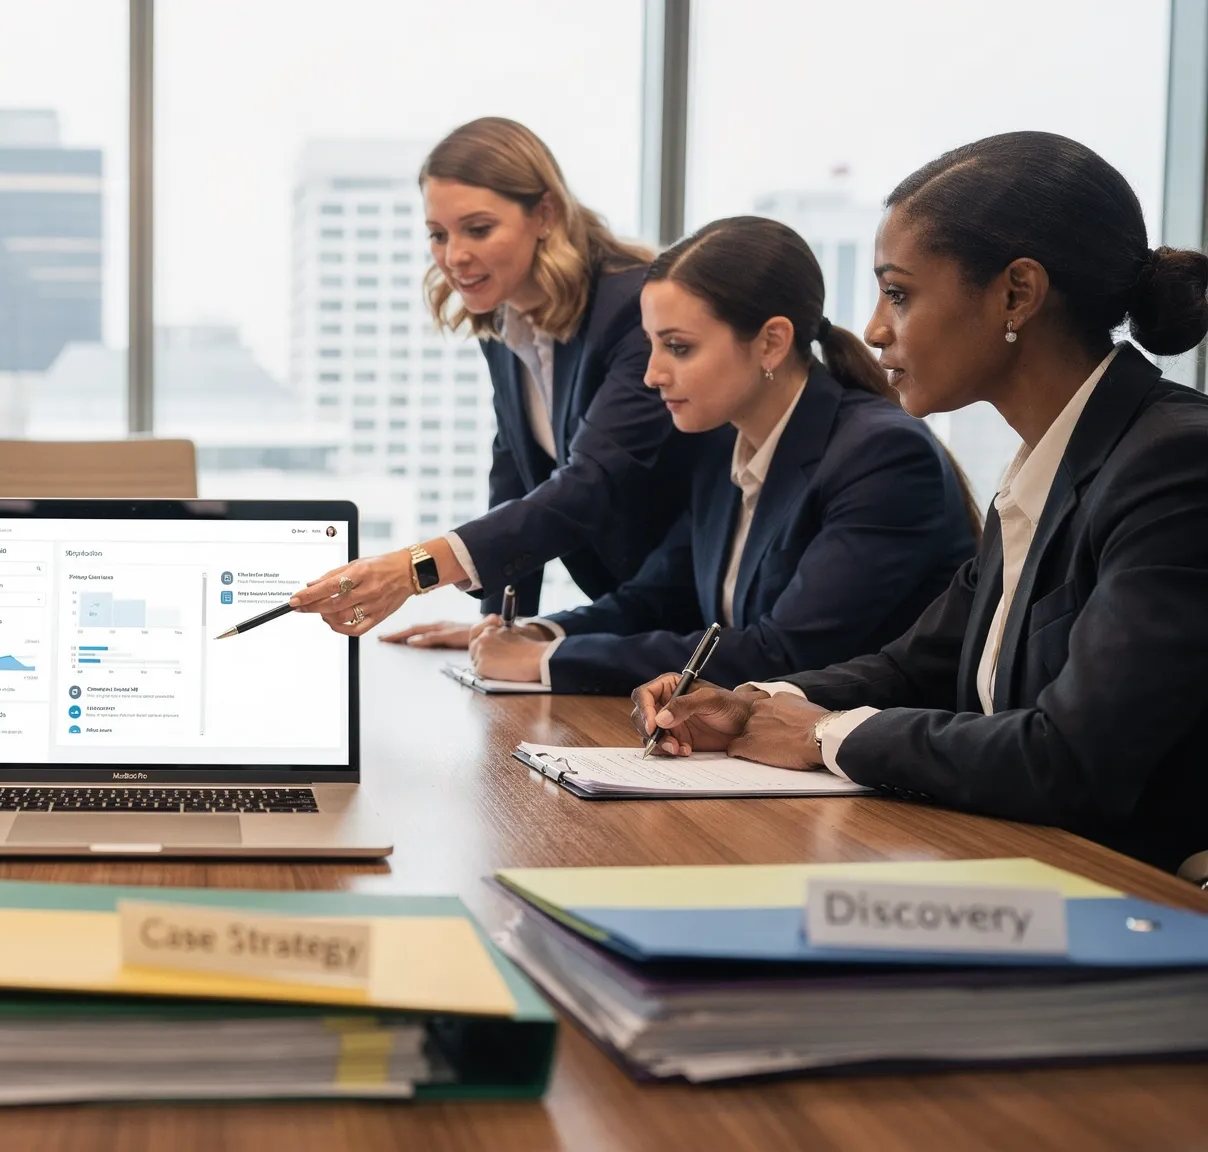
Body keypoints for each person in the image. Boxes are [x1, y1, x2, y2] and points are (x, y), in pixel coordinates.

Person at [632, 132, 1208, 874]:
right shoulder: (1047, 461)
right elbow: (916, 668)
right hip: (1028, 874)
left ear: (1017, 294)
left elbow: (1070, 758)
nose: (873, 329)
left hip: (1145, 905)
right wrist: (752, 702)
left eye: (898, 293)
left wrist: (822, 735)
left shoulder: (1173, 463)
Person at [465, 216, 976, 694]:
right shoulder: (719, 443)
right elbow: (658, 597)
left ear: (772, 343)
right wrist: (541, 633)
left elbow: (784, 654)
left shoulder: (882, 456)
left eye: (679, 347)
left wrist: (548, 663)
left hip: (872, 776)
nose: (652, 374)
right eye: (651, 347)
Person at [288, 117, 714, 640]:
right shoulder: (505, 321)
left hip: (703, 613)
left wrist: (411, 569)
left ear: (545, 213)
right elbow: (514, 472)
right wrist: (496, 628)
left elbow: (590, 485)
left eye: (478, 229)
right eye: (438, 235)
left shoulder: (632, 310)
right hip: (631, 614)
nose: (454, 256)